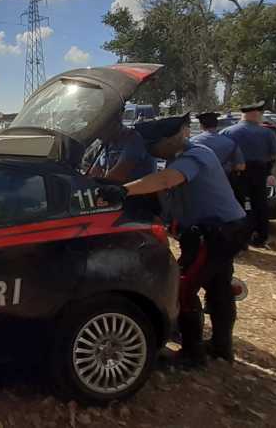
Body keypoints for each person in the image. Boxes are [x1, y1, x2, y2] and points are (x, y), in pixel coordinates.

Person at [100, 114, 249, 367]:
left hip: (216, 233)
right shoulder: (173, 159)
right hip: (216, 231)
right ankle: (222, 347)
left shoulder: (194, 155)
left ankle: (193, 354)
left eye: (154, 145)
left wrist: (124, 189)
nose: (150, 150)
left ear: (170, 139)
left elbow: (168, 180)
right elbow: (164, 195)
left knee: (182, 286)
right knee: (218, 287)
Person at [221, 102, 276, 247]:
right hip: (260, 171)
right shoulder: (267, 132)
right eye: (260, 114)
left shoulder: (228, 132)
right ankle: (261, 236)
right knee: (260, 203)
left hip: (237, 171)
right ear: (255, 114)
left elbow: (222, 154)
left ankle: (239, 238)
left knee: (237, 204)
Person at [88, 119, 156, 182]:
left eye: (100, 128)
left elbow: (117, 176)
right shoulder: (106, 143)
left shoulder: (134, 139)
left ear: (114, 123)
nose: (97, 134)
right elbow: (94, 172)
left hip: (137, 192)